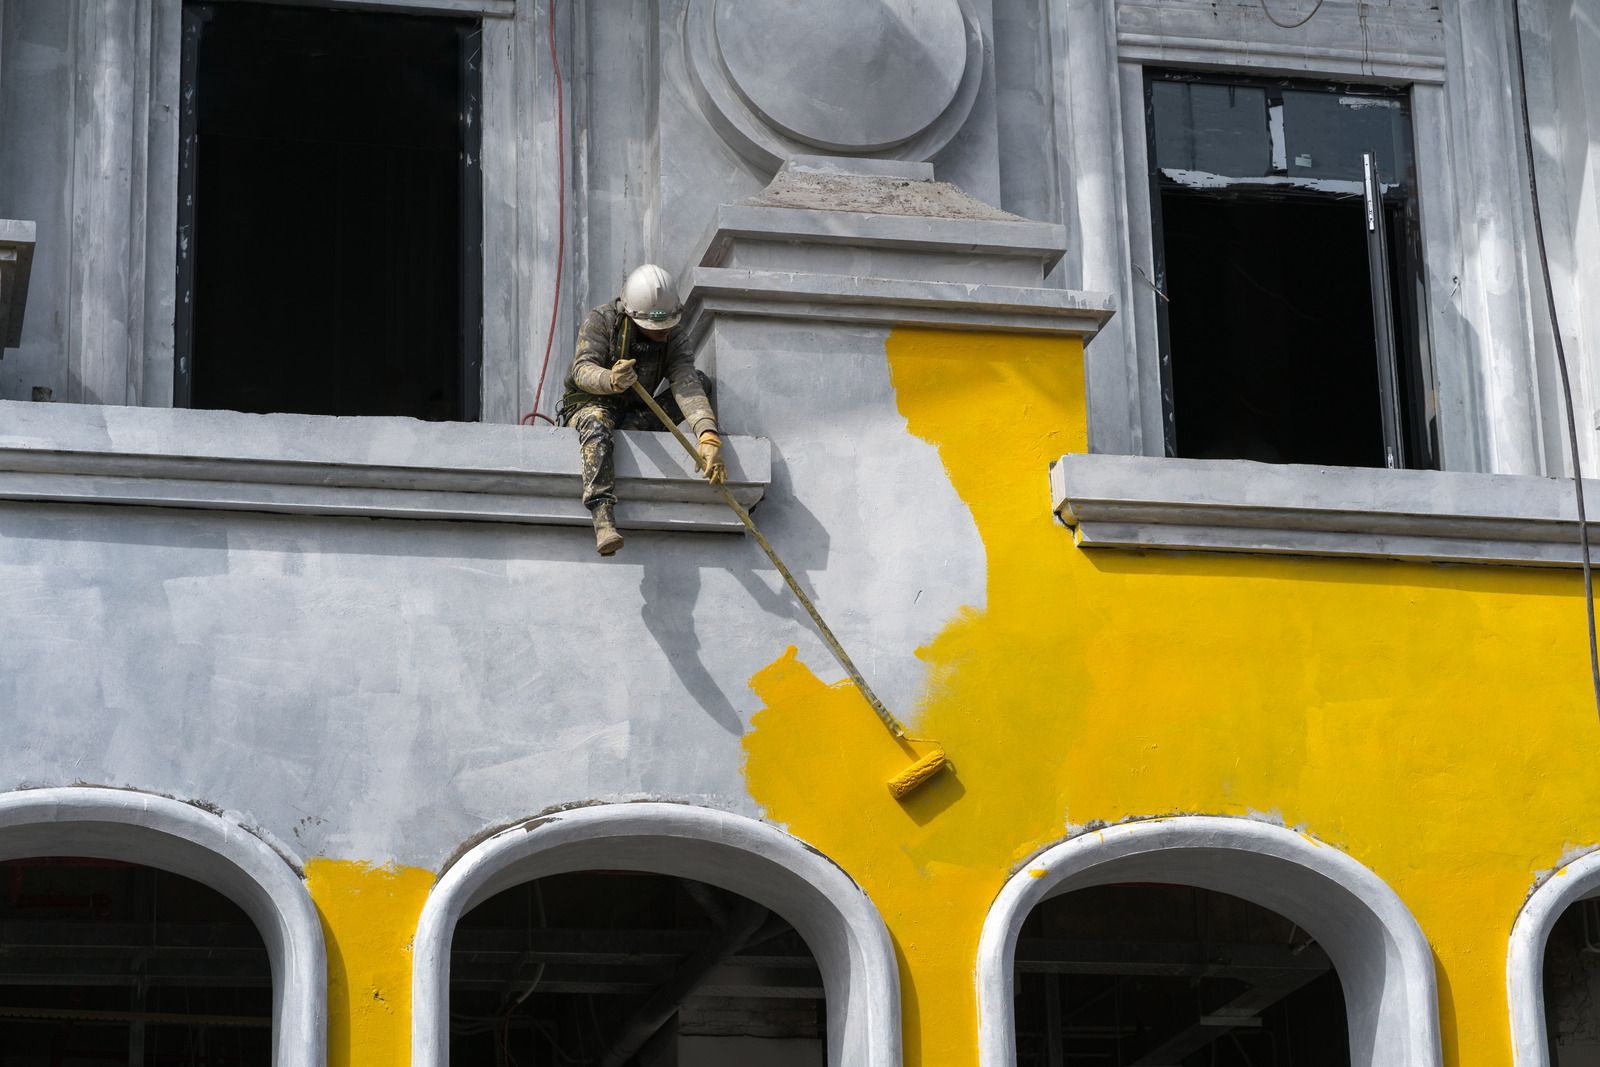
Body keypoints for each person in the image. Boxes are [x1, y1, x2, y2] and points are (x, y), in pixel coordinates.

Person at [558, 264, 726, 556]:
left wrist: (707, 435)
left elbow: (686, 384)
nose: (661, 335)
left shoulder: (675, 337)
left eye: (666, 327)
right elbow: (582, 368)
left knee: (701, 381)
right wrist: (609, 379)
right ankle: (603, 517)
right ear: (631, 314)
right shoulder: (602, 321)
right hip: (592, 407)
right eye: (653, 329)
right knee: (597, 421)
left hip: (636, 416)